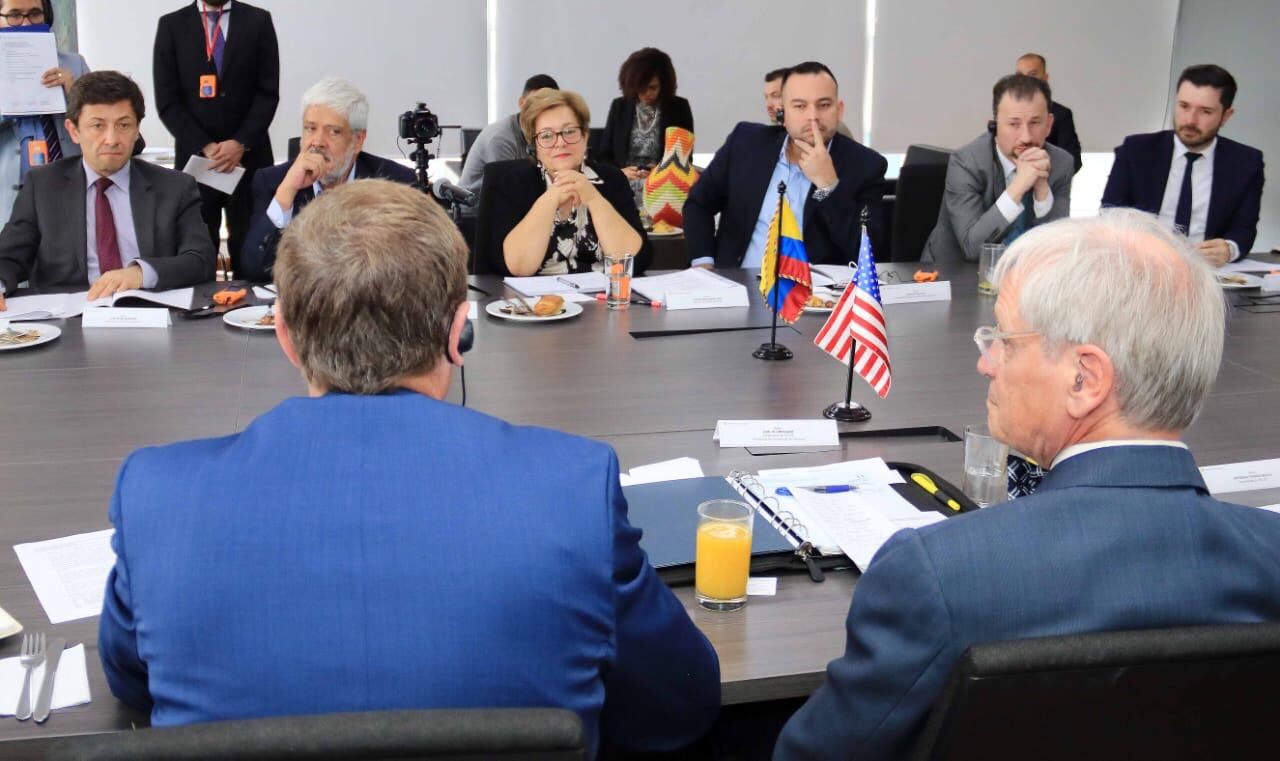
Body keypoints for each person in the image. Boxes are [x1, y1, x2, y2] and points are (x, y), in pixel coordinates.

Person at [98, 178, 720, 756]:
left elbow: (131, 678)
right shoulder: (571, 485)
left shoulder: (159, 495)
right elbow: (679, 702)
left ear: (284, 336)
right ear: (459, 333)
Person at [774, 208, 1280, 760]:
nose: (986, 363)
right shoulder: (1269, 558)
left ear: (1084, 378)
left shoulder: (937, 574)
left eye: (1005, 340)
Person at [0, 71, 215, 309]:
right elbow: (8, 257)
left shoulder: (175, 187)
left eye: (123, 125)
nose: (112, 139)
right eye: (97, 126)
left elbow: (200, 260)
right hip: (68, 324)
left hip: (151, 316)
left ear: (136, 130)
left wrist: (141, 273)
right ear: (73, 131)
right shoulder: (42, 186)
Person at [684, 61, 887, 269]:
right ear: (782, 113)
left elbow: (867, 252)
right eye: (800, 106)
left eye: (824, 105)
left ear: (839, 110)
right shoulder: (745, 143)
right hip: (739, 286)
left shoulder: (866, 165)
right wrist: (703, 263)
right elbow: (699, 203)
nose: (813, 116)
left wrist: (828, 187)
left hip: (813, 296)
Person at [240, 77, 414, 282]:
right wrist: (287, 192)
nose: (318, 142)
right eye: (310, 128)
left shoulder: (395, 183)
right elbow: (253, 269)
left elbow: (408, 269)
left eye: (334, 132)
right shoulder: (272, 181)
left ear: (358, 140)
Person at [153, 0, 280, 276]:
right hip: (198, 163)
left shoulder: (258, 21)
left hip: (249, 159)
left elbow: (268, 92)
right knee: (197, 250)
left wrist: (240, 143)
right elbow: (167, 101)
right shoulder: (171, 26)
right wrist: (207, 146)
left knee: (252, 249)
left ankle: (250, 313)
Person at [1101, 64, 1264, 265]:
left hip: (1206, 274)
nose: (1190, 120)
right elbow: (1110, 214)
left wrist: (1228, 249)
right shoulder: (1137, 150)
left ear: (1226, 116)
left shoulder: (1246, 162)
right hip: (1143, 266)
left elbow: (1244, 229)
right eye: (1184, 106)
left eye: (1205, 111)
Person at [491, 89, 649, 277]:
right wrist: (551, 197)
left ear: (585, 136)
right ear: (534, 146)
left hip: (603, 299)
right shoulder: (513, 184)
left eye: (569, 131)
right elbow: (517, 268)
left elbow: (635, 260)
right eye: (547, 135)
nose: (560, 142)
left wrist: (593, 198)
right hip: (539, 303)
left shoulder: (612, 180)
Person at [922, 73, 1072, 264]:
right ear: (994, 125)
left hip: (1024, 276)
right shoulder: (966, 162)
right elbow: (972, 247)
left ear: (1049, 124)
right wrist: (1019, 186)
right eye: (1013, 124)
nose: (1026, 137)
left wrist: (1042, 189)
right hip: (954, 274)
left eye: (1035, 123)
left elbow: (1058, 251)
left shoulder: (1061, 163)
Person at [0, 0, 88, 227]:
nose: (26, 23)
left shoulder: (74, 65)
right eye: (15, 15)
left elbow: (99, 123)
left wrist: (75, 92)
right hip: (8, 199)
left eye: (35, 14)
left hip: (68, 194)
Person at [457, 73, 558, 205]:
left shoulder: (547, 134)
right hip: (474, 212)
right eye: (535, 103)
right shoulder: (500, 139)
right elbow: (510, 193)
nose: (541, 111)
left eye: (549, 106)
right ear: (521, 103)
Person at [597, 47, 693, 182]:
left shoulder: (679, 108)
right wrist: (620, 173)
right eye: (641, 88)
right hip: (623, 184)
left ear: (664, 85)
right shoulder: (619, 106)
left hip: (663, 185)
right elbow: (604, 157)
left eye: (652, 87)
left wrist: (661, 171)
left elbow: (685, 158)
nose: (647, 93)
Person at [1015, 53, 1082, 174]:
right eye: (1020, 76)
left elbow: (1072, 161)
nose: (1025, 81)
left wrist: (1044, 177)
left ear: (1045, 78)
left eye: (1032, 75)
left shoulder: (1061, 114)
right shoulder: (1007, 113)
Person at [765, 67, 853, 139]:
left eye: (776, 95)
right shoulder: (773, 136)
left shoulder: (835, 130)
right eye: (766, 97)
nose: (769, 105)